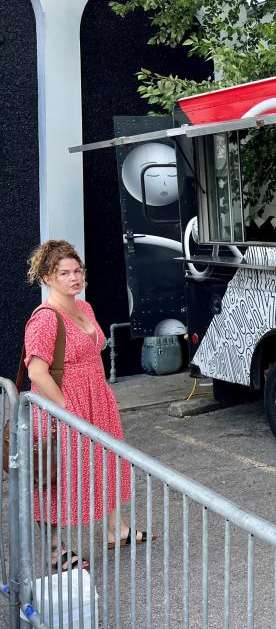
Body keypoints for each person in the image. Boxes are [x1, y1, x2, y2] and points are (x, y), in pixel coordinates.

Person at [24, 240, 150, 571]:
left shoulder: (86, 309)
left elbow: (94, 349)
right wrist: (67, 406)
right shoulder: (45, 319)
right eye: (64, 273)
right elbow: (36, 370)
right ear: (48, 277)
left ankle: (115, 529)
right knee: (55, 477)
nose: (73, 278)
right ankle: (56, 551)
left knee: (105, 463)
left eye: (77, 270)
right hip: (62, 409)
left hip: (96, 400)